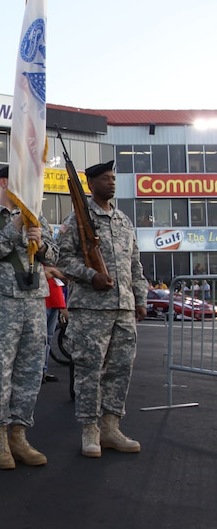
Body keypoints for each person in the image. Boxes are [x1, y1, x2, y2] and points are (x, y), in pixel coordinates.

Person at [57, 160, 148, 458]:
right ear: (91, 184)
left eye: (113, 178)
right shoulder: (77, 220)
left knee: (120, 369)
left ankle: (111, 427)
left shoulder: (123, 221)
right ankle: (90, 431)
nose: (112, 182)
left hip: (123, 309)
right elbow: (63, 260)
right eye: (105, 178)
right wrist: (89, 276)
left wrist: (140, 298)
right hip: (91, 309)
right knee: (89, 371)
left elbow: (134, 264)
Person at [0, 166, 58, 470]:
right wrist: (18, 223)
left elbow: (54, 255)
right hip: (0, 302)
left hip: (33, 301)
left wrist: (42, 242)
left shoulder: (38, 217)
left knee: (30, 371)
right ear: (5, 182)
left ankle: (19, 435)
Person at [42, 266, 68, 383]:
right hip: (44, 299)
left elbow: (61, 275)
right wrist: (55, 272)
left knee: (48, 338)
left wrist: (55, 272)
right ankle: (39, 371)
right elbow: (48, 272)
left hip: (55, 299)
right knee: (40, 339)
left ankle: (43, 370)